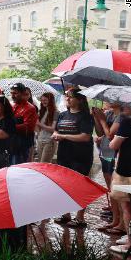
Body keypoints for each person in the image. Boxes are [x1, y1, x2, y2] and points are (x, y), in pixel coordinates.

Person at [52, 88, 94, 228]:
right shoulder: (63, 115)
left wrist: (63, 136)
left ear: (80, 99)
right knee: (64, 185)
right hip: (64, 155)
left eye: (70, 97)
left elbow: (85, 137)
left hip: (81, 156)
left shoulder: (85, 116)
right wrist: (56, 134)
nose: (67, 99)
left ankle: (80, 218)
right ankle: (66, 213)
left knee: (80, 186)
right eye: (66, 97)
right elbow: (57, 129)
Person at [93, 102, 123, 233]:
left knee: (116, 187)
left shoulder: (121, 116)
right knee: (110, 186)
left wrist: (102, 120)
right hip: (105, 151)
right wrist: (96, 117)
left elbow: (110, 135)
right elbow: (101, 132)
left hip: (115, 154)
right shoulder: (110, 113)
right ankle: (115, 219)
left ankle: (121, 221)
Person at [108, 105, 131, 254]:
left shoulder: (127, 122)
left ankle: (130, 243)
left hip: (126, 171)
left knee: (127, 207)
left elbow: (113, 145)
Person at [9, 83, 37, 165]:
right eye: (11, 93)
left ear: (23, 93)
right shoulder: (13, 106)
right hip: (11, 144)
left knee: (18, 170)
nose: (12, 96)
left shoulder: (30, 108)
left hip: (22, 145)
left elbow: (28, 127)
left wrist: (10, 127)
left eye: (15, 93)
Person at [35, 92, 58, 163]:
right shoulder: (41, 111)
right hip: (40, 140)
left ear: (50, 100)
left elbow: (53, 129)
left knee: (44, 164)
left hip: (49, 141)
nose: (43, 102)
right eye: (42, 100)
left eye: (45, 100)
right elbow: (37, 127)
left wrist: (39, 124)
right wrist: (38, 133)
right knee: (39, 164)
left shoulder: (56, 112)